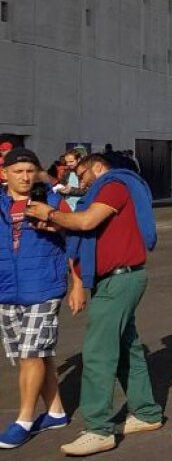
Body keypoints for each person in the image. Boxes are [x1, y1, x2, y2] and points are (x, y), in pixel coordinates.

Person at [24, 153, 162, 456]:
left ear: (98, 167)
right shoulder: (108, 189)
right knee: (127, 349)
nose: (81, 181)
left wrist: (50, 213)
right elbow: (87, 228)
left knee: (98, 354)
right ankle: (146, 412)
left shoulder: (112, 185)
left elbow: (86, 221)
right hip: (120, 279)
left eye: (83, 174)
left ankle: (98, 429)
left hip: (117, 280)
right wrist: (57, 224)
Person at [0, 149, 74, 450]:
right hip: (7, 290)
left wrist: (78, 285)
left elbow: (75, 240)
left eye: (30, 171)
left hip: (44, 287)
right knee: (35, 355)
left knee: (31, 354)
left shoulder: (52, 203)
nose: (25, 177)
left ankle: (24, 420)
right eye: (18, 171)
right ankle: (56, 413)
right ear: (5, 174)